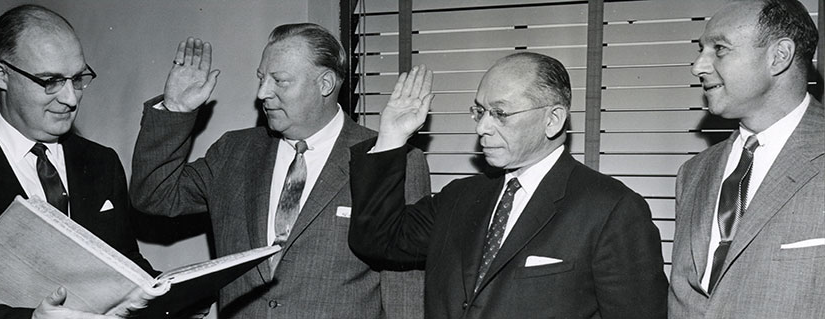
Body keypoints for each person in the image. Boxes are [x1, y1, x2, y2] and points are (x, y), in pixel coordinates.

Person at [130, 23, 430, 319]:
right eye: (261, 78)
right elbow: (155, 196)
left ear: (325, 84)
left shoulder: (387, 158)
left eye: (279, 80)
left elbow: (404, 288)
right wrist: (175, 110)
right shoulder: (233, 152)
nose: (262, 92)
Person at [347, 53, 668, 318]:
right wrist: (392, 136)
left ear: (553, 120)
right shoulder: (460, 198)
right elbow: (377, 239)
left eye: (500, 113)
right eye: (480, 111)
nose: (483, 127)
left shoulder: (611, 209)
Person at [0, 4, 154, 319]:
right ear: (1, 74)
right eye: (50, 81)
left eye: (78, 79)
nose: (71, 98)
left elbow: (124, 263)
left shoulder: (102, 162)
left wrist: (173, 296)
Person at [669, 0, 823, 318]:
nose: (698, 66)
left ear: (779, 56)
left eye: (720, 49)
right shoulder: (693, 172)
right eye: (701, 50)